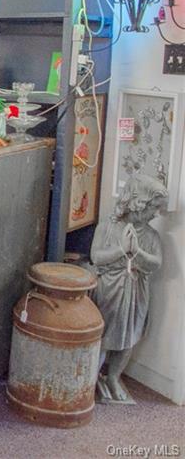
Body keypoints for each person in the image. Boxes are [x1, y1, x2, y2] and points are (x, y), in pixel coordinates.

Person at [91, 173, 169, 403]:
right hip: (110, 289)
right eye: (153, 207)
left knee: (130, 335)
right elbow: (96, 257)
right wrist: (122, 249)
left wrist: (138, 252)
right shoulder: (107, 227)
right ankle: (92, 376)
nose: (156, 213)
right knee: (104, 335)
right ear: (138, 203)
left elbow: (156, 263)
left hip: (136, 291)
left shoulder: (151, 235)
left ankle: (114, 376)